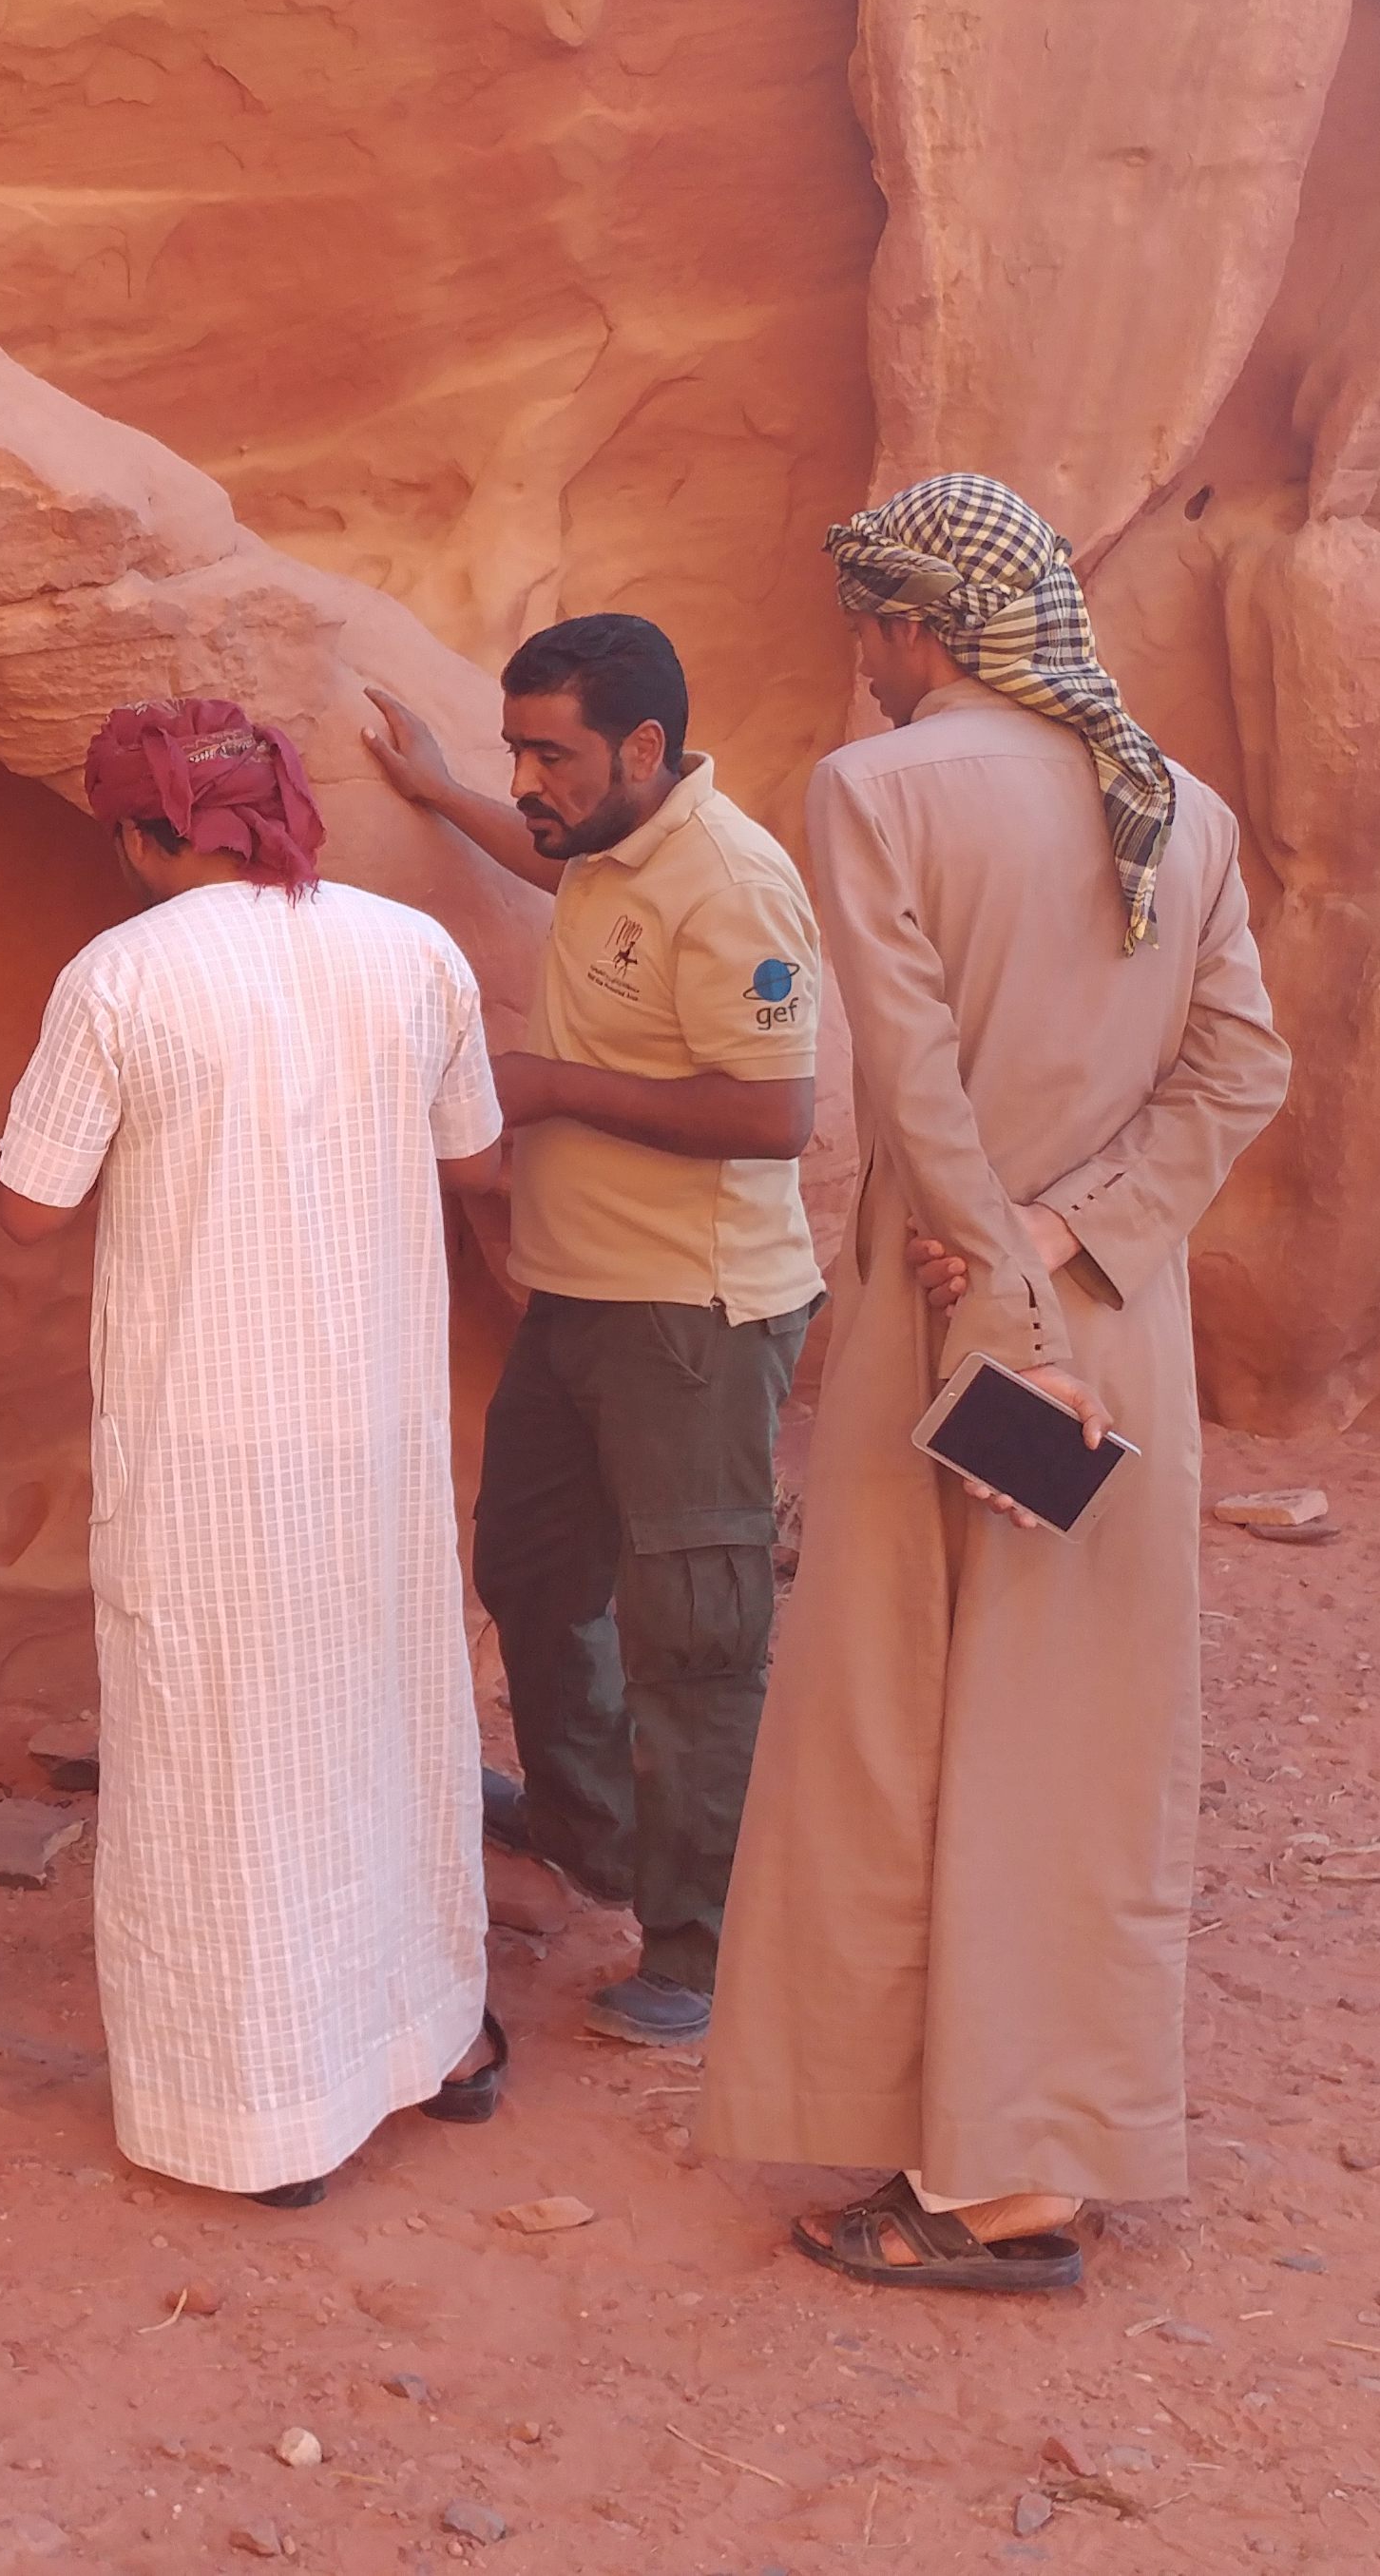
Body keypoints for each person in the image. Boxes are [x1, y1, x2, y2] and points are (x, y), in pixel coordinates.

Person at [698, 475, 1288, 2292]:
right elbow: (1239, 1075)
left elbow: (913, 1069)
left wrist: (991, 1281)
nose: (864, 666)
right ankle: (1022, 2153)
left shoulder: (878, 787)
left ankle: (991, 2177)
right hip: (1114, 1322)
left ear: (916, 628)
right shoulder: (1181, 807)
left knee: (894, 1729)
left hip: (952, 1330)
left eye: (868, 630)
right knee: (1073, 1743)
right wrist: (1075, 1240)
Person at [0, 697, 511, 2206]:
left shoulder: (121, 976)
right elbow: (471, 1157)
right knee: (391, 1717)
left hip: (213, 1440)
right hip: (378, 1430)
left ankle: (255, 2118)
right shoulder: (413, 951)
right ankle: (434, 2043)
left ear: (149, 835)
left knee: (224, 1754)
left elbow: (33, 1202)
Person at [363, 618, 823, 2050]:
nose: (530, 782)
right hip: (580, 1295)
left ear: (641, 749)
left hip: (690, 1312)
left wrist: (549, 1087)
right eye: (517, 752)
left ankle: (696, 1948)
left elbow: (772, 1116)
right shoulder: (615, 841)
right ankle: (588, 1821)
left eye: (545, 754)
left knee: (695, 1635)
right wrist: (444, 794)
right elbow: (549, 851)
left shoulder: (733, 883)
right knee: (530, 1564)